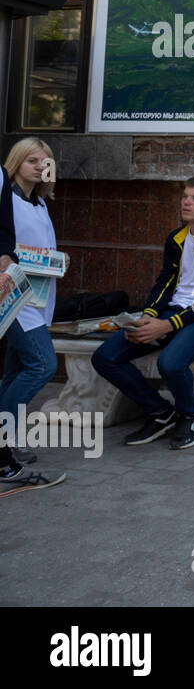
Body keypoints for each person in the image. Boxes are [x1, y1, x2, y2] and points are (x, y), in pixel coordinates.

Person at [91, 175, 194, 451]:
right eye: (184, 196)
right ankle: (160, 412)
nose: (186, 202)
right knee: (106, 357)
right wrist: (149, 315)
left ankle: (188, 415)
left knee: (171, 363)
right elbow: (165, 281)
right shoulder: (176, 238)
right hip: (173, 310)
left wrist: (168, 325)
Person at [0, 138, 66, 496]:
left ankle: (6, 445)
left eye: (46, 161)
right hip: (15, 300)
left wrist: (56, 261)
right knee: (42, 365)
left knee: (13, 374)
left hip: (38, 299)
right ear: (16, 162)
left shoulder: (39, 201)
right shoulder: (6, 198)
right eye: (32, 160)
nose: (41, 166)